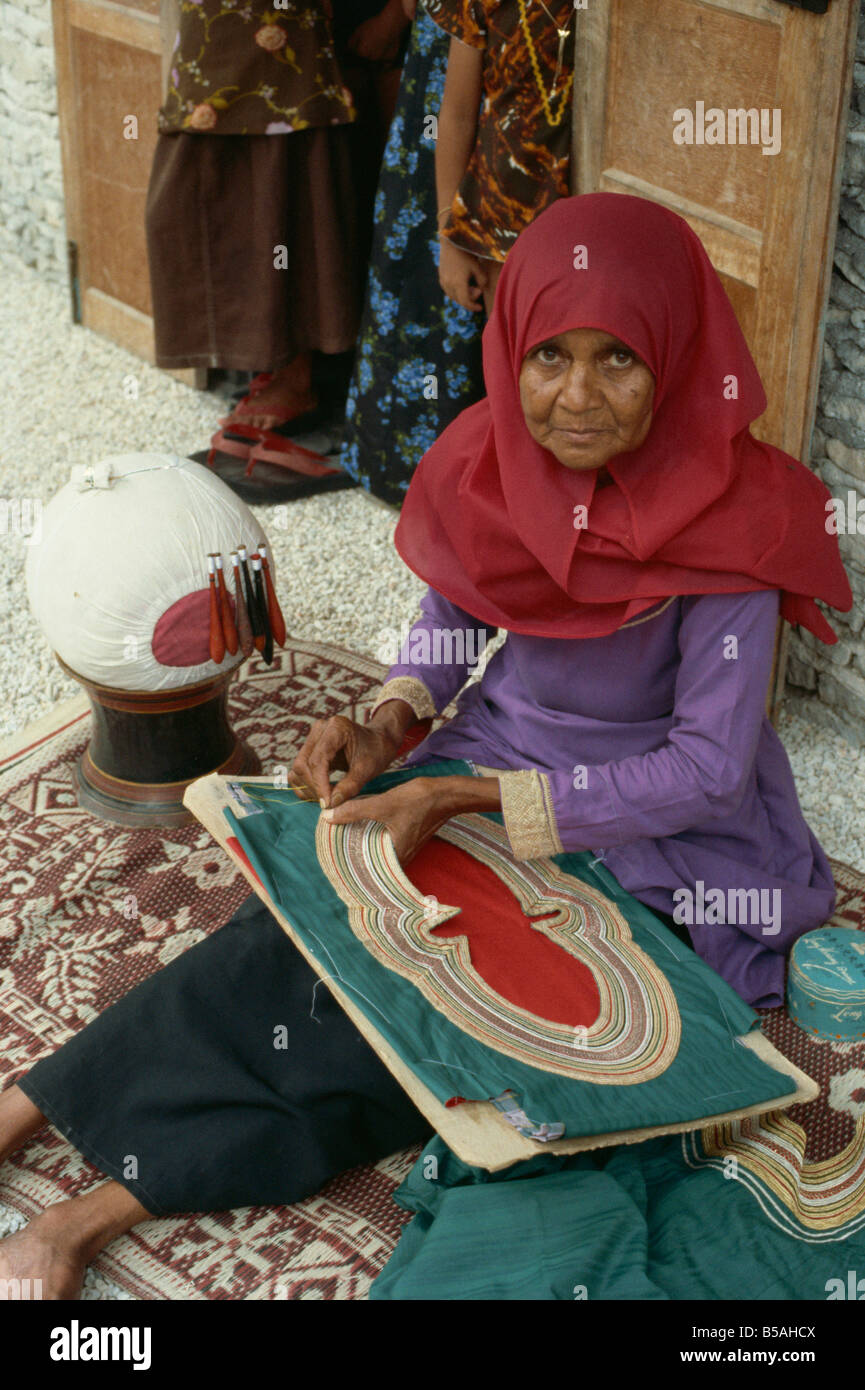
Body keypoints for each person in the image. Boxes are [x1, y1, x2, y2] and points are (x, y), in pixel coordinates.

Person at [0, 193, 851, 1299]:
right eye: (548, 354)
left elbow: (705, 768)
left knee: (421, 1017)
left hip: (663, 838)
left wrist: (462, 804)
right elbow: (455, 617)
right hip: (493, 761)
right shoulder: (493, 455)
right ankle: (25, 1102)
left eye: (619, 361)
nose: (577, 396)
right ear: (510, 348)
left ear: (678, 360)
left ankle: (82, 1217)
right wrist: (390, 715)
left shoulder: (740, 521)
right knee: (305, 931)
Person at [146, 0, 410, 433]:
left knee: (288, 202)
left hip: (290, 40)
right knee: (196, 204)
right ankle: (267, 356)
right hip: (212, 34)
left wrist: (397, 14)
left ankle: (295, 375)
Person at [430, 0, 574, 314]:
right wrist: (449, 233)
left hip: (602, 221)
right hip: (505, 220)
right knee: (511, 352)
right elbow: (457, 114)